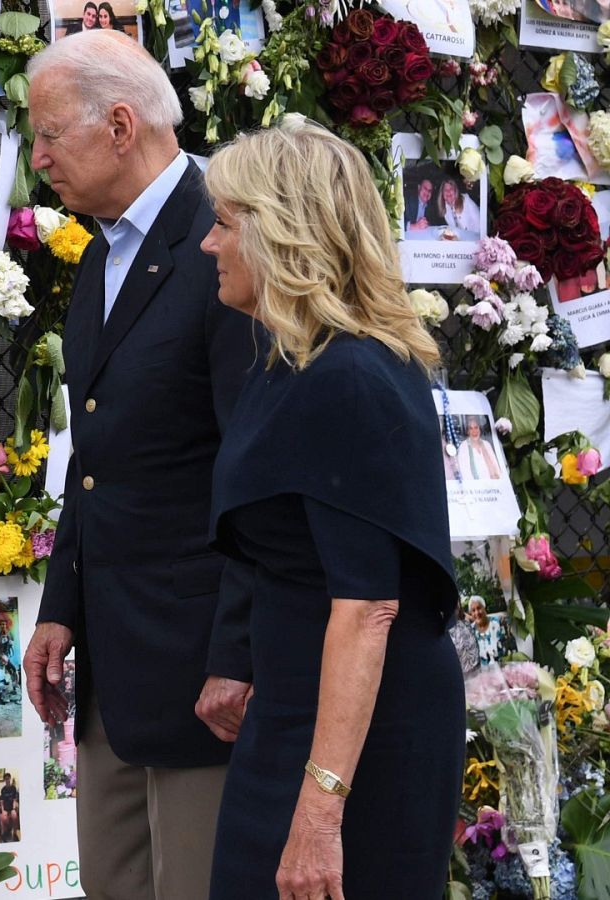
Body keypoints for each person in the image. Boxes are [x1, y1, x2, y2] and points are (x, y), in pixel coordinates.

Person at [21, 31, 259, 900]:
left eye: (50, 135)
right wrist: (60, 608)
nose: (38, 159)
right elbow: (98, 454)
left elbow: (250, 468)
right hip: (114, 673)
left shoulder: (226, 241)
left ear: (121, 126)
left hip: (203, 676)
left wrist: (238, 651)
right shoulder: (101, 254)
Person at [200, 116, 462, 899]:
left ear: (281, 233)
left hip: (358, 748)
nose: (209, 245)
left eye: (224, 224)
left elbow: (368, 606)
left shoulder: (347, 377)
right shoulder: (293, 359)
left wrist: (319, 813)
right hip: (297, 718)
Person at [455, 414, 502, 480]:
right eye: (471, 428)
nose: (474, 431)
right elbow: (465, 474)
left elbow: (496, 466)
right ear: (468, 432)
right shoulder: (463, 447)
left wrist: (499, 480)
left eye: (476, 427)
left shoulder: (487, 444)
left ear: (479, 429)